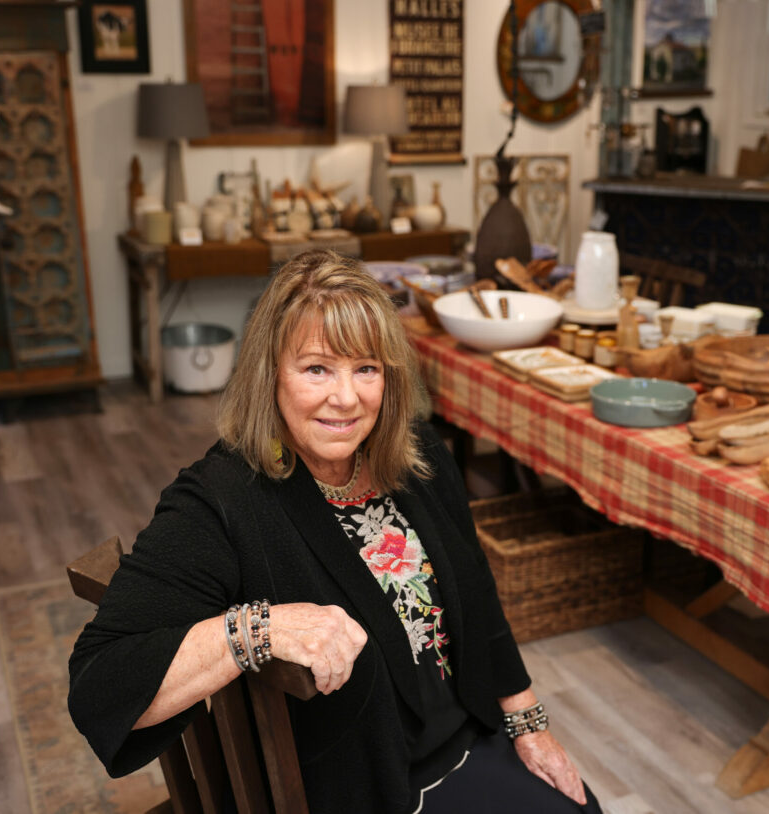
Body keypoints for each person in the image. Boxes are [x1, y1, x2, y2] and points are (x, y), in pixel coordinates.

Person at [68, 250, 602, 814]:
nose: (345, 397)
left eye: (366, 368)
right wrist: (260, 628)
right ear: (269, 372)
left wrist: (529, 723)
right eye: (316, 367)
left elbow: (476, 590)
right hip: (364, 787)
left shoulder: (416, 455)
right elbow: (101, 685)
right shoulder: (220, 501)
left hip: (470, 740)